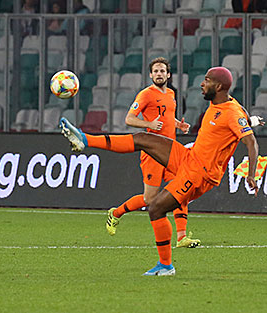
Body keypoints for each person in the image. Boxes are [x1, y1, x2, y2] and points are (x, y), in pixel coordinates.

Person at [59, 66, 260, 276]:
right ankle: (84, 139)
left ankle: (166, 266)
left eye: (207, 80)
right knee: (143, 138)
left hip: (200, 174)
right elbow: (243, 115)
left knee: (155, 208)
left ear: (218, 86)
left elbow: (251, 142)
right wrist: (250, 120)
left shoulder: (231, 113)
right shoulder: (227, 104)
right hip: (188, 157)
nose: (202, 84)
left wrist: (251, 174)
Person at [106, 57, 201, 249]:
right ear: (151, 75)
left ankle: (182, 237)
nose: (159, 74)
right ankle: (115, 213)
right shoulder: (146, 95)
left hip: (172, 151)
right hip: (153, 152)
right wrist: (148, 124)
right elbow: (129, 119)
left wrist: (177, 125)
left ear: (168, 74)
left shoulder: (171, 94)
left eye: (162, 71)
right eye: (155, 71)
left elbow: (167, 117)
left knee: (182, 189)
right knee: (150, 199)